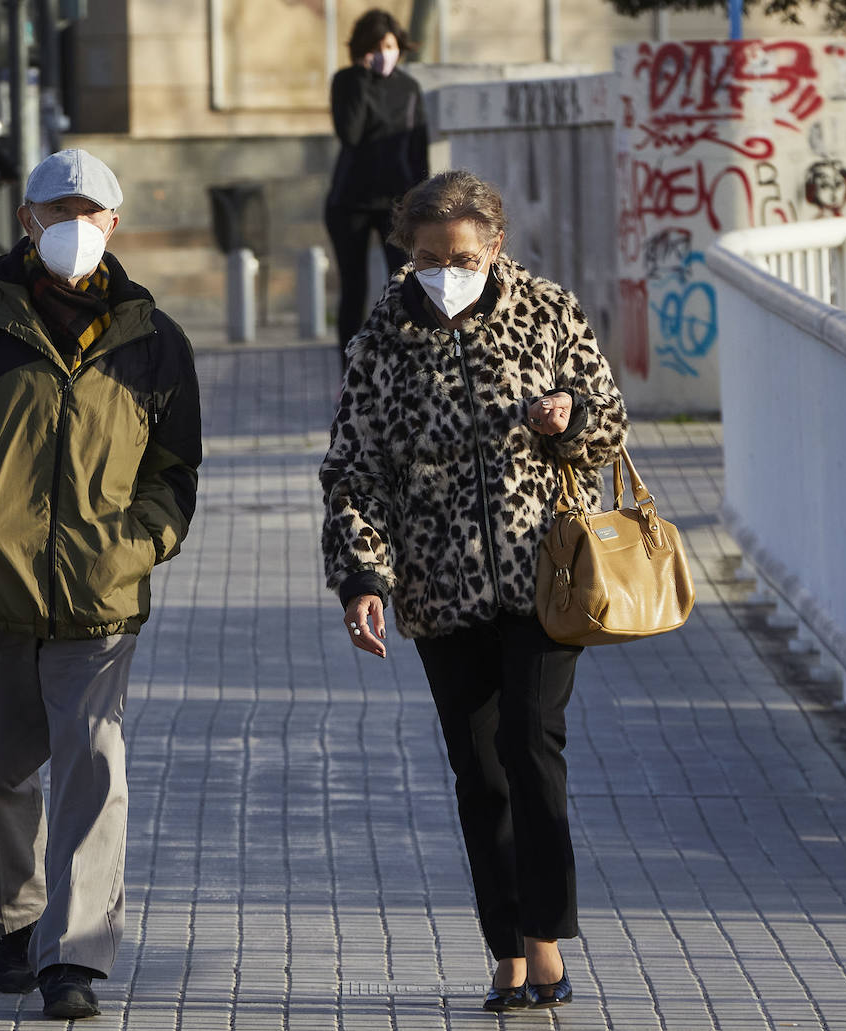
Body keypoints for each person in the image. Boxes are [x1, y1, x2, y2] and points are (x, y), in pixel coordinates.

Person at [0, 148, 202, 1020]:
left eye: (92, 213)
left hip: (102, 597)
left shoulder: (154, 340)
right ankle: (17, 922)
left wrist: (143, 541)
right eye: (58, 212)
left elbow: (177, 470)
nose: (75, 228)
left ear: (116, 225)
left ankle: (75, 956)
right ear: (27, 221)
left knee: (94, 766)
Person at [319, 170, 628, 1012]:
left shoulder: (547, 311)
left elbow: (609, 420)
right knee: (478, 769)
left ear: (494, 245)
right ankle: (505, 948)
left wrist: (570, 419)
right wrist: (362, 578)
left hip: (546, 578)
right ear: (406, 252)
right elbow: (354, 472)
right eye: (425, 256)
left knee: (532, 743)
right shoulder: (382, 337)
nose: (442, 269)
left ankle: (545, 940)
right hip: (439, 586)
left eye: (459, 254)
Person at [325, 8, 429, 357]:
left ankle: (401, 362)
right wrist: (362, 78)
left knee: (403, 286)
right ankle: (349, 373)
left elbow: (418, 149)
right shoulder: (347, 82)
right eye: (376, 46)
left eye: (390, 45)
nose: (385, 53)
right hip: (349, 203)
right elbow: (350, 133)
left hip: (396, 205)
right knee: (353, 290)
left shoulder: (409, 87)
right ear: (362, 50)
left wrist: (423, 202)